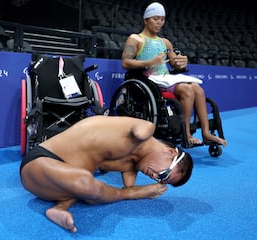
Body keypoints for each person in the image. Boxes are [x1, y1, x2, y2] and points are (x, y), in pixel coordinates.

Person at [20, 115, 193, 232]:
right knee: (86, 183)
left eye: (161, 180)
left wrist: (131, 185)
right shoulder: (144, 130)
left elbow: (124, 183)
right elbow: (140, 130)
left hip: (58, 185)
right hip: (40, 163)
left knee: (88, 186)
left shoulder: (131, 165)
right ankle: (127, 195)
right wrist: (132, 192)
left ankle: (59, 208)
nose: (155, 178)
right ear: (170, 152)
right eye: (163, 174)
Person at [121, 1, 227, 147]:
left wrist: (181, 62)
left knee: (197, 88)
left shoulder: (165, 42)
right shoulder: (136, 39)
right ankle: (187, 134)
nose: (159, 22)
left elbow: (174, 63)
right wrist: (150, 62)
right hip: (148, 80)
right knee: (188, 90)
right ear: (146, 20)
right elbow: (125, 62)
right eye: (155, 18)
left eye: (162, 19)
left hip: (165, 79)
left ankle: (206, 133)